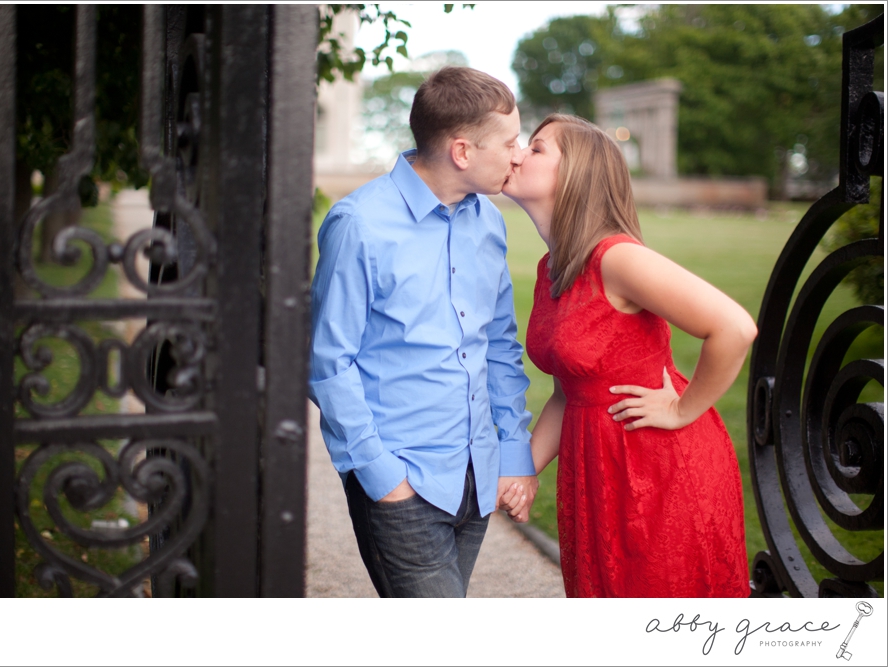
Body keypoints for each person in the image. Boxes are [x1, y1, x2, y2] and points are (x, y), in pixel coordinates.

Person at [503, 113, 756, 598]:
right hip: (593, 468)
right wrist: (522, 471)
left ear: (575, 174)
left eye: (536, 148)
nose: (516, 153)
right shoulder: (552, 268)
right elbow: (566, 392)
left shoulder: (616, 258)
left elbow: (734, 327)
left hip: (658, 464)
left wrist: (683, 408)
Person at [308, 67, 538, 598]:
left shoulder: (488, 221)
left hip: (477, 478)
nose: (519, 154)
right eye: (509, 142)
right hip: (402, 479)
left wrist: (513, 454)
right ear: (462, 151)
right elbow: (328, 363)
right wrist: (382, 476)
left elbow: (499, 348)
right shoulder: (358, 224)